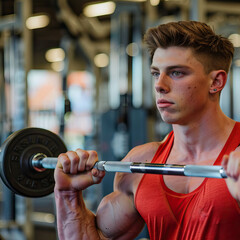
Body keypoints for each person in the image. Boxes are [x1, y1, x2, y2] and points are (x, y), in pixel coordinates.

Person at [54, 21, 240, 240]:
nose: (160, 85)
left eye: (177, 73)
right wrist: (67, 195)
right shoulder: (142, 163)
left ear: (216, 81)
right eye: (155, 73)